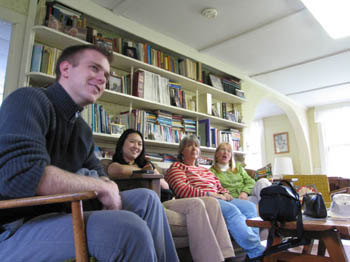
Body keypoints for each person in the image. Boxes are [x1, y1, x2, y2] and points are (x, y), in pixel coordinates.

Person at [0, 44, 178, 262]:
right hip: (14, 226)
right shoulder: (28, 100)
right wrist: (97, 185)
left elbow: (97, 173)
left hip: (62, 213)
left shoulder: (81, 129)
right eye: (94, 68)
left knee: (148, 199)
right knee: (128, 229)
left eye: (106, 74)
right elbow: (22, 175)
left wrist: (100, 183)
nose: (103, 79)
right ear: (65, 69)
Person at [108, 128, 235, 262]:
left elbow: (166, 186)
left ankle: (226, 256)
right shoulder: (114, 164)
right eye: (132, 142)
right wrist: (143, 171)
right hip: (148, 205)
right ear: (122, 144)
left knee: (212, 202)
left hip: (163, 201)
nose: (136, 146)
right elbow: (119, 170)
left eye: (140, 144)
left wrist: (151, 170)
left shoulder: (148, 164)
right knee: (196, 203)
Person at [165, 135, 266, 261]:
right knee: (231, 211)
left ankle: (251, 252)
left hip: (218, 197)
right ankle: (257, 251)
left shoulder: (206, 171)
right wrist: (212, 195)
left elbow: (219, 186)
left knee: (249, 207)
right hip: (203, 199)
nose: (194, 148)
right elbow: (182, 189)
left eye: (196, 146)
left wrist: (225, 194)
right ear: (182, 151)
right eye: (189, 145)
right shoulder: (177, 167)